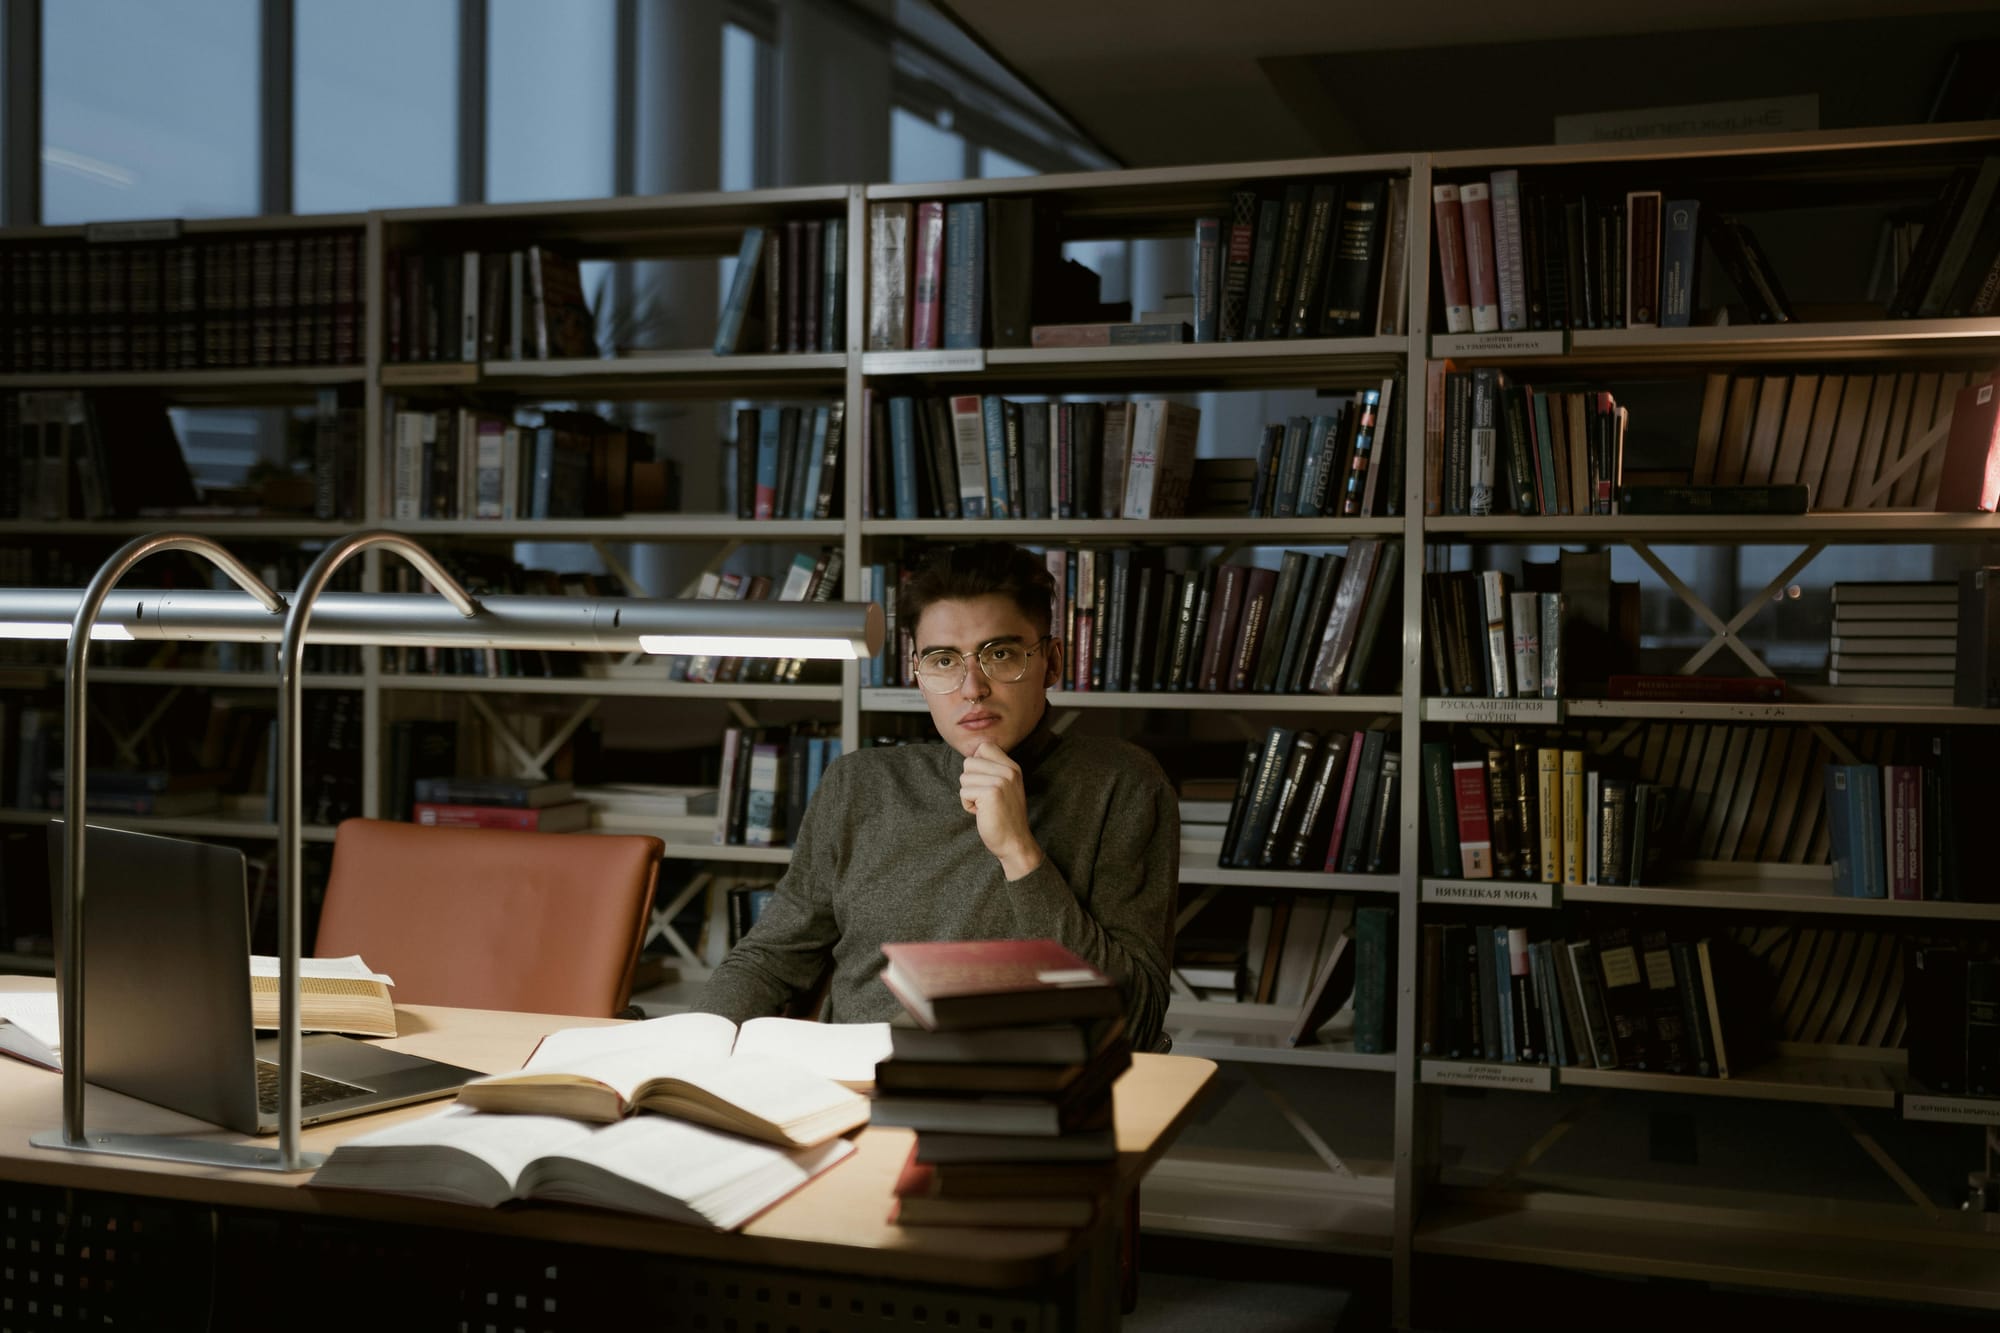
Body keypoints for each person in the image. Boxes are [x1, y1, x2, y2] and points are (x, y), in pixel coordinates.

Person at [694, 541, 1178, 1051]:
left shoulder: (1122, 784)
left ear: (1052, 662)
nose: (972, 688)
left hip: (1029, 1089)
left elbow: (1138, 1017)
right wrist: (685, 1051)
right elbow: (770, 959)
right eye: (944, 660)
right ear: (917, 674)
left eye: (1001, 654)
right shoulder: (858, 785)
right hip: (855, 1083)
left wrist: (1020, 853)